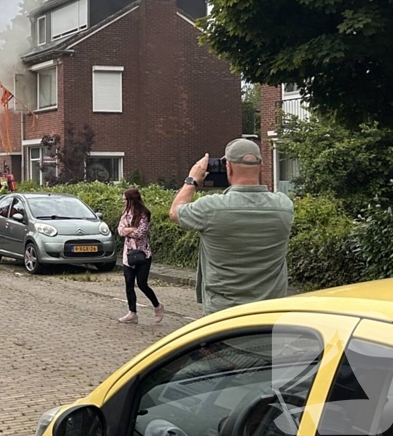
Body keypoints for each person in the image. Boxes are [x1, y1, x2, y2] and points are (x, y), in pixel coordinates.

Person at [169, 138, 294, 316]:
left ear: (228, 167)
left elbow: (175, 212)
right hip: (270, 313)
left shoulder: (210, 207)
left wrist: (192, 180)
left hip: (224, 314)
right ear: (261, 166)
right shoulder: (284, 206)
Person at [117, 188, 164, 325]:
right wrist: (131, 229)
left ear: (131, 200)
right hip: (128, 255)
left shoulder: (144, 214)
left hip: (143, 255)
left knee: (142, 284)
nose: (123, 201)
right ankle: (132, 313)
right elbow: (120, 230)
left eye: (125, 199)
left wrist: (128, 230)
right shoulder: (125, 214)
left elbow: (140, 233)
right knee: (129, 284)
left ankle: (157, 306)